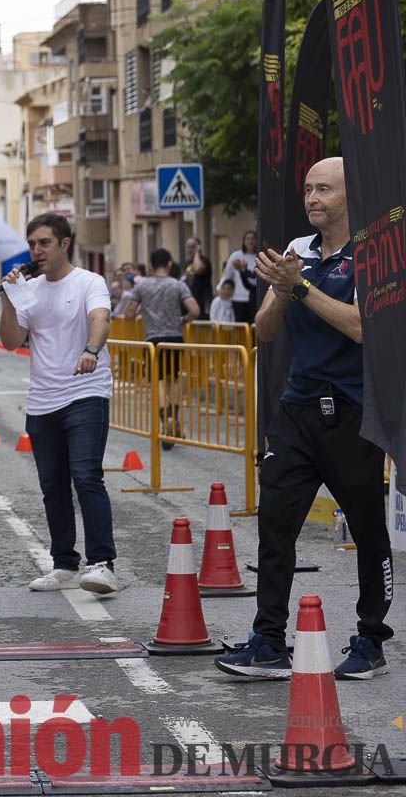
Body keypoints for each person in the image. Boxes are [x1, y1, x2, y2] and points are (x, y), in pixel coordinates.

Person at [215, 157, 394, 680]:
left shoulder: (373, 255)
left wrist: (300, 289)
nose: (312, 198)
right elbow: (265, 330)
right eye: (308, 189)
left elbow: (363, 327)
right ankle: (269, 641)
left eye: (324, 189)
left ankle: (371, 641)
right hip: (296, 411)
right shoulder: (296, 252)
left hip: (354, 413)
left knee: (366, 529)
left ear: (350, 197)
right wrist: (278, 288)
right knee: (274, 527)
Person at [0, 213, 120, 595]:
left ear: (65, 243)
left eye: (44, 243)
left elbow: (100, 318)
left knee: (85, 476)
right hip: (42, 400)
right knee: (52, 485)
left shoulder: (89, 282)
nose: (37, 250)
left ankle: (102, 564)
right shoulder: (30, 290)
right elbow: (11, 340)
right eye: (32, 244)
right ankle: (64, 564)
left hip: (85, 392)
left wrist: (91, 349)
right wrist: (8, 298)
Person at [124, 248, 199, 450]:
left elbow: (129, 314)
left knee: (157, 380)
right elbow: (195, 310)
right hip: (175, 337)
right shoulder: (178, 285)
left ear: (150, 265)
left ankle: (165, 418)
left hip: (152, 340)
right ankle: (173, 416)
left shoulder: (142, 286)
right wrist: (183, 320)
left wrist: (142, 311)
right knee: (173, 378)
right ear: (169, 264)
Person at [219, 230, 259, 323]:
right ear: (244, 241)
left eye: (253, 239)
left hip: (253, 298)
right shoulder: (236, 255)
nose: (250, 241)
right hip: (238, 297)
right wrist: (222, 291)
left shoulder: (258, 256)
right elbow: (227, 276)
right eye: (247, 239)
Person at [182, 236, 213, 319]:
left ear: (198, 247)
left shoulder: (204, 261)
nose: (190, 249)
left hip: (202, 303)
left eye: (193, 247)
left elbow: (198, 268)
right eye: (188, 247)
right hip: (190, 303)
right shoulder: (187, 262)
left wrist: (197, 253)